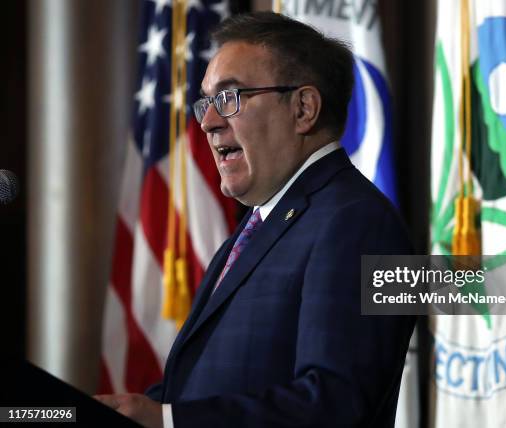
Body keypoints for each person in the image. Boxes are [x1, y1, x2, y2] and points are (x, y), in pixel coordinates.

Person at [96, 11, 416, 428]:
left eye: (230, 98)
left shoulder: (357, 223)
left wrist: (170, 421)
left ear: (304, 108)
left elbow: (335, 405)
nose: (208, 122)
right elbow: (201, 389)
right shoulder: (256, 228)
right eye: (206, 102)